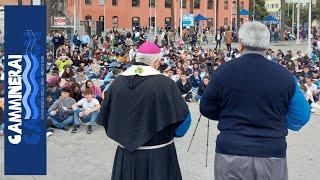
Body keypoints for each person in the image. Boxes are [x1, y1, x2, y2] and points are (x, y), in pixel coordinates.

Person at [200, 21, 311, 180]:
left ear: (241, 44)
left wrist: (229, 114)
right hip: (271, 153)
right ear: (266, 46)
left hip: (231, 151)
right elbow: (301, 115)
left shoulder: (224, 71)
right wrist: (277, 118)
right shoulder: (285, 76)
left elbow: (206, 107)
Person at [96, 42, 191, 180]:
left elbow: (106, 118)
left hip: (126, 155)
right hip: (159, 155)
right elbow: (184, 121)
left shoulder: (117, 83)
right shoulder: (165, 84)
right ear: (157, 62)